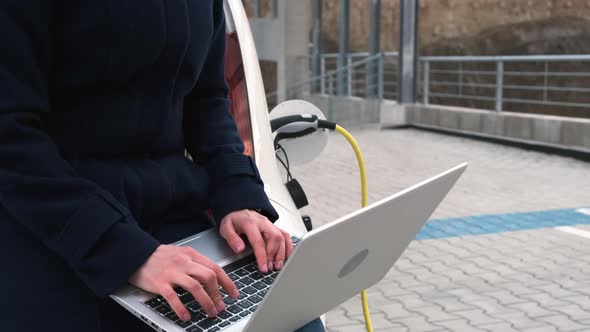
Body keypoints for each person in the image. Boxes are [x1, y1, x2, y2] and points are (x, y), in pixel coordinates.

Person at [0, 1, 324, 331]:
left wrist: (238, 193)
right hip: (55, 227)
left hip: (171, 222)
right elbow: (10, 138)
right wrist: (126, 253)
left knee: (295, 321)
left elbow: (208, 100)